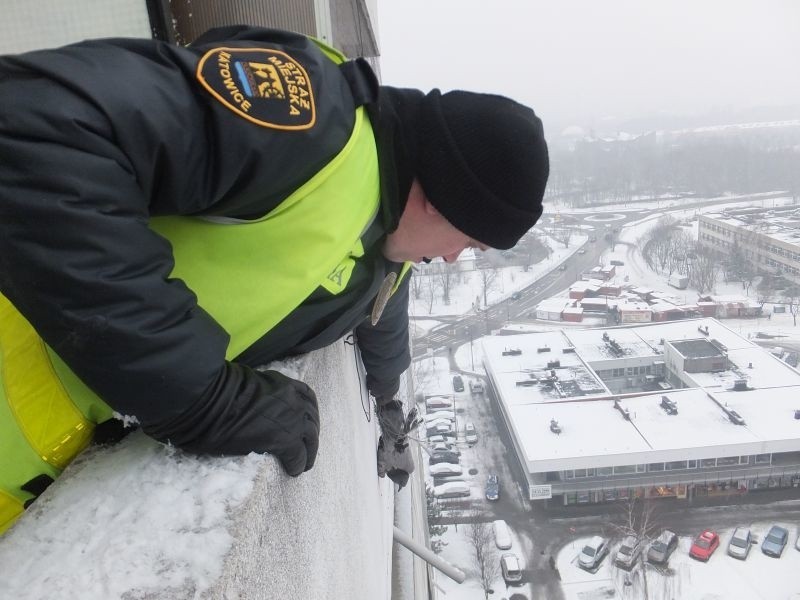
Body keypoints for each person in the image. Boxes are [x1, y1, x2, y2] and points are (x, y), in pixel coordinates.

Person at [0, 25, 549, 533]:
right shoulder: (312, 131)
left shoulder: (384, 229)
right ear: (440, 199)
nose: (455, 259)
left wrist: (388, 402)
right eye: (469, 242)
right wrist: (199, 396)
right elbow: (34, 125)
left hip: (27, 473)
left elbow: (384, 302)